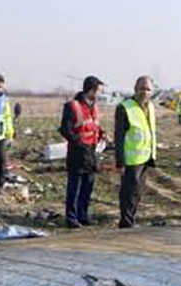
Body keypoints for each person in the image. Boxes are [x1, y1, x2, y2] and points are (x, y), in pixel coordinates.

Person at [59, 76, 106, 227]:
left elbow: (93, 126)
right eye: (99, 90)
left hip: (91, 152)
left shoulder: (94, 108)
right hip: (77, 153)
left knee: (88, 186)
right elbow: (65, 129)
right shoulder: (73, 106)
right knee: (75, 187)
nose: (100, 94)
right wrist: (76, 141)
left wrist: (102, 133)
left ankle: (83, 215)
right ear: (91, 90)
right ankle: (71, 218)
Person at [114, 76, 158, 228]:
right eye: (142, 88)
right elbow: (118, 137)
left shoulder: (151, 107)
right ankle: (126, 223)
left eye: (148, 89)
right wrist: (120, 162)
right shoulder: (125, 108)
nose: (145, 92)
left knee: (137, 193)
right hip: (131, 159)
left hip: (145, 157)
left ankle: (131, 219)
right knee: (128, 193)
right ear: (135, 89)